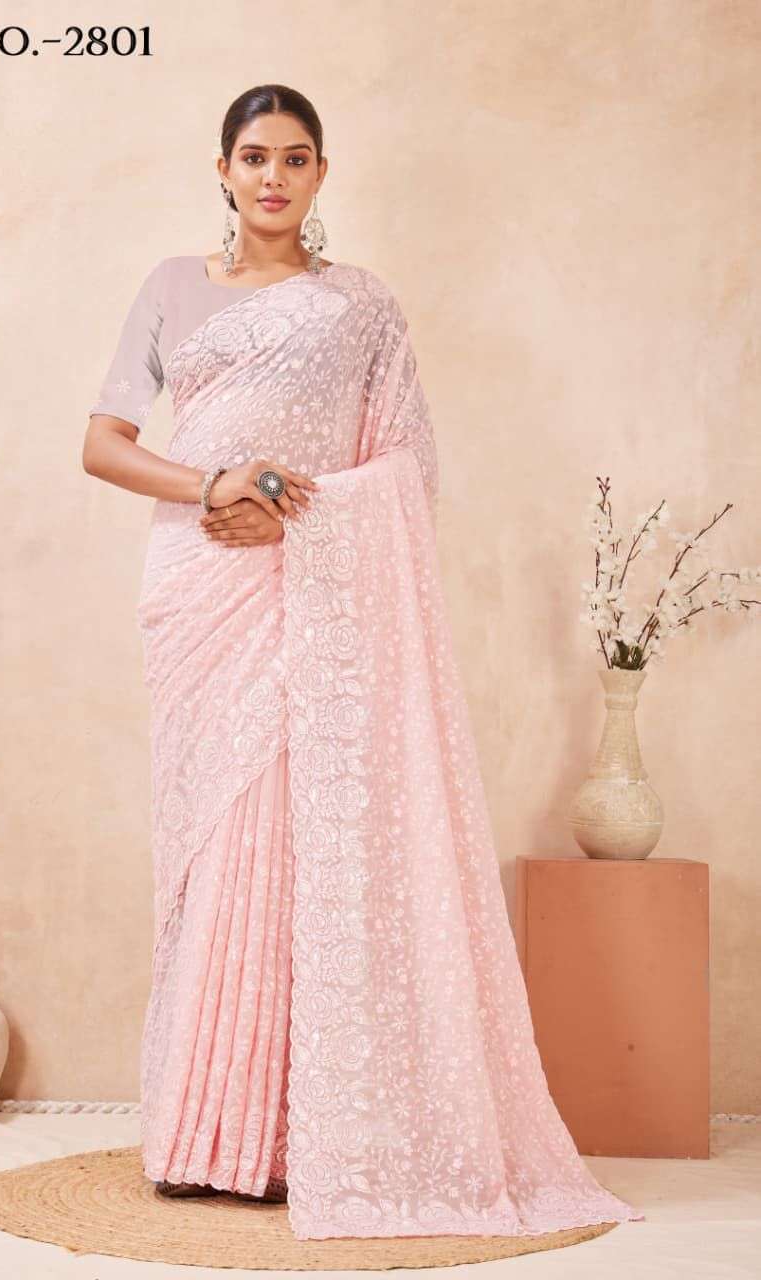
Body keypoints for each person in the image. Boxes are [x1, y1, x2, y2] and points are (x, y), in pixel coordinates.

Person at [83, 83, 645, 1243]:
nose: (273, 177)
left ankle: (299, 1133)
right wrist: (214, 486)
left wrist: (300, 509)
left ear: (321, 174)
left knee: (303, 842)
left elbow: (405, 465)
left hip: (312, 591)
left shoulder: (360, 305)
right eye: (254, 156)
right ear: (223, 170)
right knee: (214, 847)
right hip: (201, 592)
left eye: (295, 158)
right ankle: (205, 1132)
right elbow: (103, 443)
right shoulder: (172, 287)